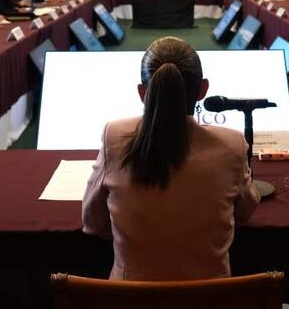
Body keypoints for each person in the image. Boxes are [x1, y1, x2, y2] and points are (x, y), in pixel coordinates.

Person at [82, 37, 260, 280]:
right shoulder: (233, 145)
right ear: (203, 90)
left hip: (129, 299)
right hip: (213, 299)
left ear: (142, 93)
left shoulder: (112, 136)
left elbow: (93, 222)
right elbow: (243, 214)